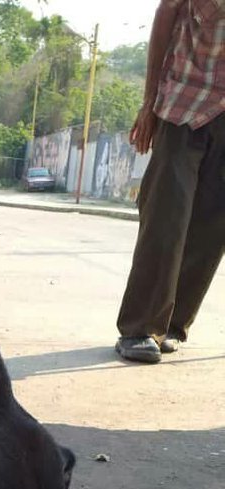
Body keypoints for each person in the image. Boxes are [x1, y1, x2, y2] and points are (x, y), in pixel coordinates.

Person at [115, 0, 225, 364]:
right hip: (184, 102)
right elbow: (166, 13)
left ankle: (172, 324)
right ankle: (140, 327)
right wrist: (149, 102)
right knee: (167, 215)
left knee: (214, 226)